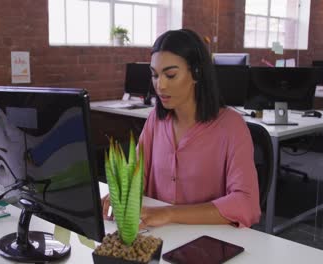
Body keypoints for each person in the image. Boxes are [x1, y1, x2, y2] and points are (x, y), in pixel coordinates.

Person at [102, 29, 261, 228]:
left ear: (196, 73)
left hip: (207, 241)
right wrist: (122, 192)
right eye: (154, 75)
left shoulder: (231, 127)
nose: (160, 85)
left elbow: (247, 204)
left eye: (170, 75)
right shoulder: (155, 120)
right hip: (158, 235)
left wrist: (169, 213)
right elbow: (137, 173)